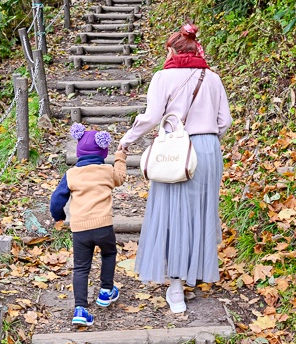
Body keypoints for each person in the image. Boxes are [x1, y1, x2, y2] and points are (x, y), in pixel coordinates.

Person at [117, 24, 232, 313]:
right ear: (195, 49)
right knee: (200, 214)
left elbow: (152, 117)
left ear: (172, 50)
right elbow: (225, 122)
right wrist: (206, 138)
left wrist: (126, 140)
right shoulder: (213, 78)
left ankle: (177, 289)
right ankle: (192, 275)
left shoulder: (162, 77)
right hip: (208, 150)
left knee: (174, 216)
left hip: (177, 151)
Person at [50, 124, 127, 327]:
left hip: (80, 229)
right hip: (103, 226)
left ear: (79, 152)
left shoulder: (72, 174)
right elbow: (121, 177)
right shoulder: (107, 171)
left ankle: (80, 309)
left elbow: (57, 199)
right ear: (103, 151)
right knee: (109, 253)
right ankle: (105, 291)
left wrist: (58, 216)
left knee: (81, 267)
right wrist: (120, 158)